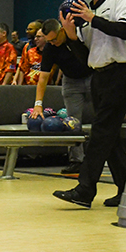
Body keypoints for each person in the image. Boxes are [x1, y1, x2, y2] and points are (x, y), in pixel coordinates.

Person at [53, 0, 126, 208]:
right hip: (99, 75)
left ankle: (85, 189)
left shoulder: (119, 1)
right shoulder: (86, 12)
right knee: (108, 134)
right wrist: (71, 35)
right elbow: (86, 56)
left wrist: (93, 18)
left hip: (123, 72)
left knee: (101, 131)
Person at [31, 19, 92, 175]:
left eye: (54, 39)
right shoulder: (50, 48)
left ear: (62, 31)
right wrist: (38, 104)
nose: (53, 43)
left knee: (102, 117)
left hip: (93, 77)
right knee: (73, 122)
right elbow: (43, 78)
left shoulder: (79, 36)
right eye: (49, 41)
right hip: (71, 82)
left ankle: (106, 157)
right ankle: (77, 160)